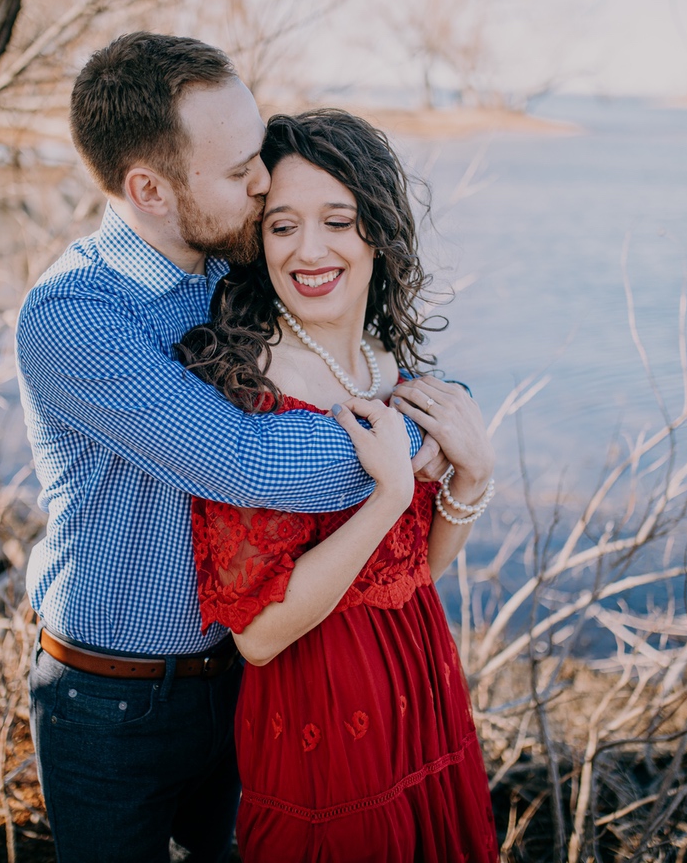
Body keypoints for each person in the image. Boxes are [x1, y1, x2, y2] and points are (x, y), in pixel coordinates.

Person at [15, 35, 444, 862]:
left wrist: (440, 406)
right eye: (240, 167)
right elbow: (249, 463)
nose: (263, 182)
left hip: (249, 676)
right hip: (109, 700)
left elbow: (350, 341)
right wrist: (410, 439)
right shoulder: (74, 317)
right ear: (150, 189)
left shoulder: (230, 270)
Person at [177, 109, 499, 861]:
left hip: (422, 691)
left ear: (377, 234)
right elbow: (256, 635)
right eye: (283, 226)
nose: (309, 250)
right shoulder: (246, 389)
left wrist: (474, 473)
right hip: (320, 725)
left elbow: (412, 574)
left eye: (338, 221)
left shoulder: (391, 366)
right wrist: (386, 496)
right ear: (258, 242)